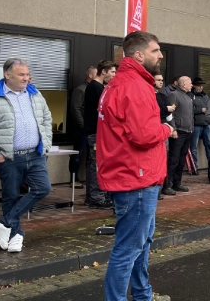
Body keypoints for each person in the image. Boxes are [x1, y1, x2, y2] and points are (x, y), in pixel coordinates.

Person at [97, 31, 173, 301]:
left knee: (140, 244)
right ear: (138, 55)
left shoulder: (122, 83)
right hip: (136, 177)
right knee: (129, 248)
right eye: (156, 50)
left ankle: (143, 295)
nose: (160, 55)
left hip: (133, 175)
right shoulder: (135, 86)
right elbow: (143, 135)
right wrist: (165, 128)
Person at [0, 58, 52, 253]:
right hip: (9, 157)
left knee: (43, 188)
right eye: (21, 74)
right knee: (10, 196)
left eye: (27, 74)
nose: (26, 78)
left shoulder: (34, 93)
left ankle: (5, 222)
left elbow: (46, 118)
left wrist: (45, 145)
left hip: (35, 155)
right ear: (7, 75)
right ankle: (14, 235)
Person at [84, 59, 117, 209]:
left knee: (98, 163)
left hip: (99, 132)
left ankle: (97, 196)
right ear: (103, 72)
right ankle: (95, 198)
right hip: (95, 132)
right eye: (112, 72)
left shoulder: (100, 87)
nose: (114, 75)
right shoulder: (95, 88)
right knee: (95, 164)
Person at [163, 77, 194, 195]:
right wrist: (173, 129)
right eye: (190, 83)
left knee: (181, 159)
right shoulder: (174, 95)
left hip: (187, 132)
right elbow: (170, 114)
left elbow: (190, 115)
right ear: (184, 84)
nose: (191, 85)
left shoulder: (188, 96)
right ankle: (168, 185)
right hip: (178, 132)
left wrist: (191, 128)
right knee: (174, 159)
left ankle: (177, 183)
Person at [70, 65, 96, 189]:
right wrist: (83, 125)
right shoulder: (81, 90)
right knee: (77, 154)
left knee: (91, 155)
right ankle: (73, 179)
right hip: (82, 129)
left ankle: (88, 178)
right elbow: (75, 109)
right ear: (90, 75)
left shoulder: (94, 89)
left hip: (91, 128)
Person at [154, 74, 175, 201]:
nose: (161, 82)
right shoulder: (149, 96)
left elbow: (169, 113)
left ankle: (161, 187)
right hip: (153, 130)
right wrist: (165, 108)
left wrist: (173, 128)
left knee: (163, 159)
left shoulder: (162, 96)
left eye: (162, 80)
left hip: (164, 129)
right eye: (158, 80)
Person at [189, 77, 210, 175]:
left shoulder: (205, 95)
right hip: (196, 124)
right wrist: (200, 110)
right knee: (193, 146)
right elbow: (188, 110)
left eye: (201, 85)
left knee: (208, 145)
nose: (200, 87)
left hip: (206, 124)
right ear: (193, 85)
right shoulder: (190, 95)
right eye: (198, 85)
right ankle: (194, 167)